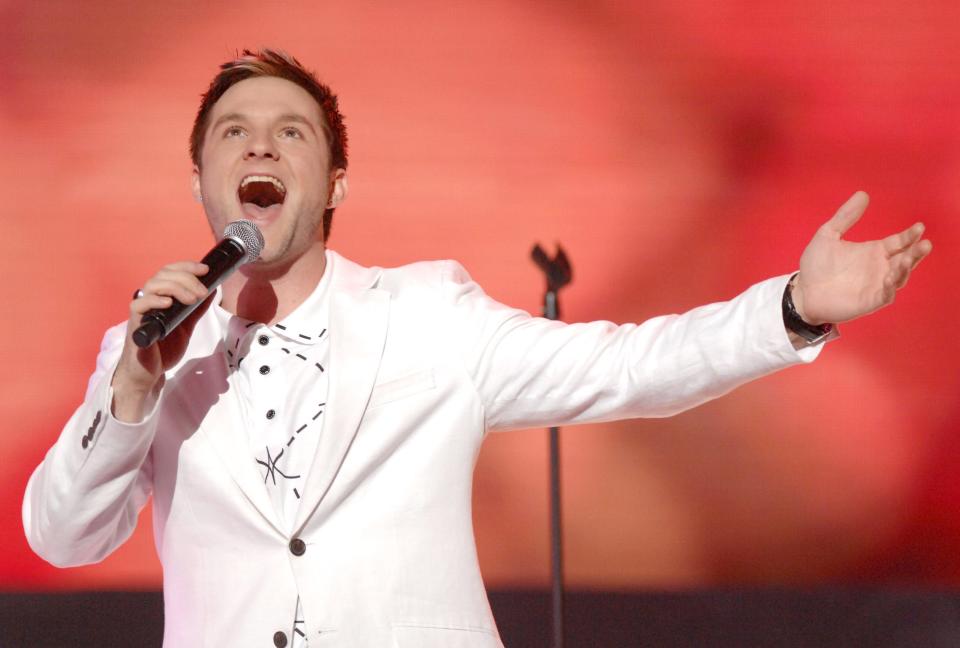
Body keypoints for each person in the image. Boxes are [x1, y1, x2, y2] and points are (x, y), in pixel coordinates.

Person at [22, 49, 932, 648]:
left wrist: (796, 308)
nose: (260, 144)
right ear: (200, 181)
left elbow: (624, 368)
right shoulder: (147, 346)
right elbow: (62, 539)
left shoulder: (428, 314)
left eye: (290, 132)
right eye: (234, 134)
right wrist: (135, 387)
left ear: (334, 180)